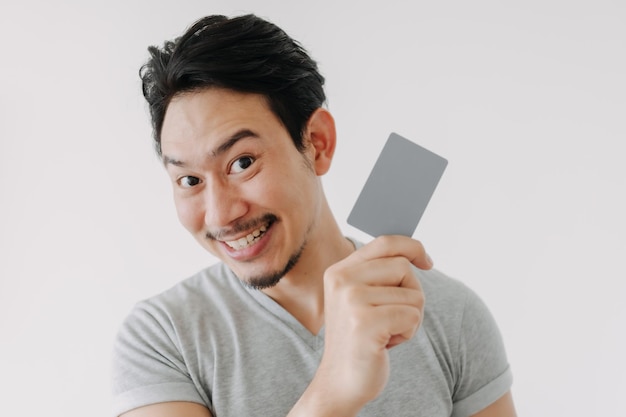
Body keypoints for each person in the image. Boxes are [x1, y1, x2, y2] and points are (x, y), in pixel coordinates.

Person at [111, 14, 516, 417]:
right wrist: (333, 391)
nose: (221, 215)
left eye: (243, 162)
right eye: (189, 180)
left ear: (317, 144)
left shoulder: (451, 315)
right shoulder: (162, 339)